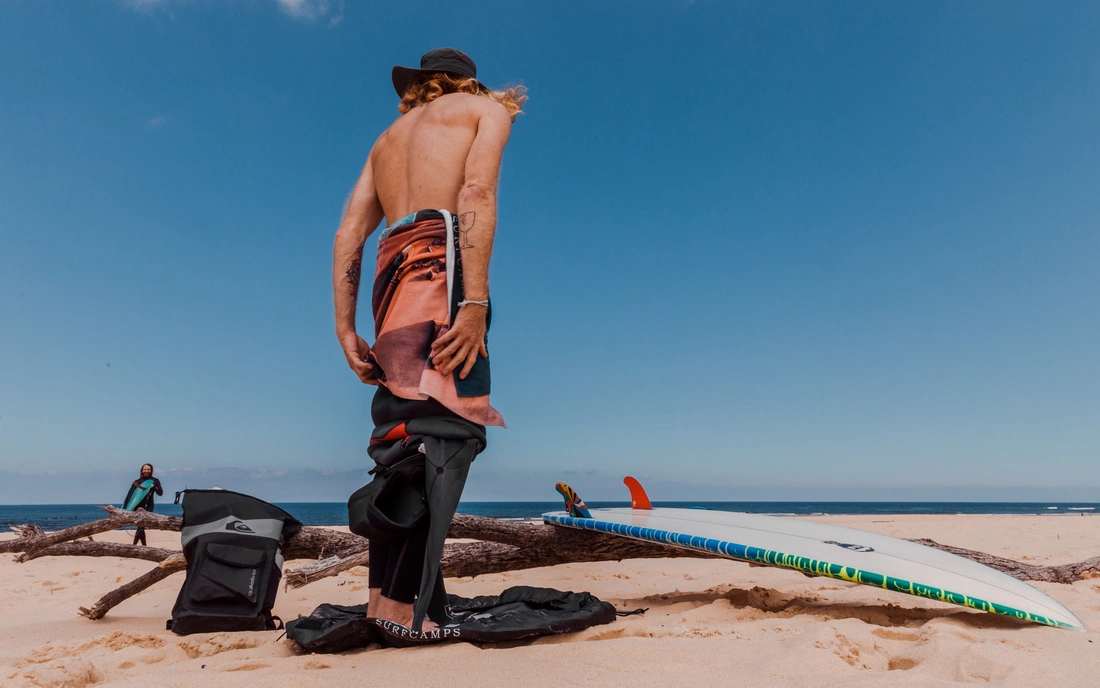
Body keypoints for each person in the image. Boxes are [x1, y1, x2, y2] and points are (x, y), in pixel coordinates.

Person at [332, 48, 524, 634]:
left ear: (420, 85)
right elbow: (475, 196)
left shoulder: (386, 141)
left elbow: (348, 235)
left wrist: (344, 328)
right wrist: (473, 304)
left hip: (391, 278)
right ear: (468, 80)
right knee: (446, 433)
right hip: (443, 269)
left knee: (401, 436)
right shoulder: (485, 109)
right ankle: (411, 609)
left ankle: (389, 603)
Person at [124, 463, 163, 546]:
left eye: (148, 469)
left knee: (141, 526)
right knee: (141, 526)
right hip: (138, 506)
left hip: (149, 505)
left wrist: (154, 487)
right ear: (142, 470)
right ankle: (143, 546)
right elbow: (130, 495)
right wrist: (125, 507)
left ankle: (135, 545)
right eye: (145, 469)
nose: (146, 471)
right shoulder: (137, 482)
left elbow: (160, 493)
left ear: (151, 470)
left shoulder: (155, 481)